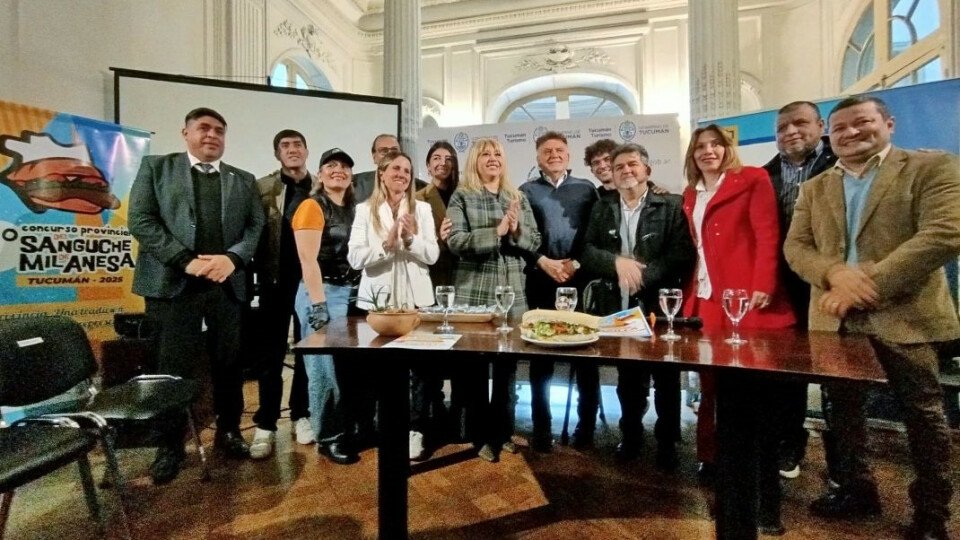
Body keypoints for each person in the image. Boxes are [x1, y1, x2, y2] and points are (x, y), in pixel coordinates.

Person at [784, 95, 960, 540]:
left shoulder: (930, 167)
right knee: (842, 413)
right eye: (840, 127)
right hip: (835, 321)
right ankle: (855, 489)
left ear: (889, 124)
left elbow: (945, 232)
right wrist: (834, 274)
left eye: (861, 122)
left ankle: (932, 514)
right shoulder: (815, 187)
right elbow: (796, 247)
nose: (850, 133)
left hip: (905, 316)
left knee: (924, 416)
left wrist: (865, 284)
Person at [128, 107, 265, 484]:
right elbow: (141, 220)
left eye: (219, 130)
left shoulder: (243, 179)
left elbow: (255, 226)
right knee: (169, 369)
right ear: (185, 133)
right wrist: (184, 261)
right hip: (173, 286)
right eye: (203, 128)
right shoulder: (156, 168)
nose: (212, 135)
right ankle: (169, 446)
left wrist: (232, 259)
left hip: (226, 286)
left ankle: (229, 431)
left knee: (230, 365)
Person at [681, 123, 796, 532]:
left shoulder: (752, 178)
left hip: (748, 301)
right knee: (713, 390)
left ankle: (764, 504)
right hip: (708, 303)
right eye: (700, 146)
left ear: (728, 148)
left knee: (753, 401)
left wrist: (763, 284)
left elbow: (768, 234)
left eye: (716, 144)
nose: (708, 151)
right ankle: (717, 470)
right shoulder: (690, 194)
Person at [580, 143, 695, 469]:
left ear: (647, 170)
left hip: (660, 306)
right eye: (619, 167)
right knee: (628, 379)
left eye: (632, 164)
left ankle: (668, 442)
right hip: (618, 305)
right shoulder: (602, 208)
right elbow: (587, 251)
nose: (626, 171)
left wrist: (642, 275)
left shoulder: (671, 205)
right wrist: (617, 263)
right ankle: (630, 435)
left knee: (667, 379)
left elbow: (681, 253)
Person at [447, 137, 541, 462]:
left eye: (497, 154)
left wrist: (515, 231)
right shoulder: (462, 195)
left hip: (512, 292)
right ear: (475, 160)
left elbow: (534, 240)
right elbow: (455, 241)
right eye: (485, 154)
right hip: (474, 292)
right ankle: (481, 436)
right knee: (475, 370)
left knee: (507, 369)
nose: (492, 159)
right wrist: (497, 231)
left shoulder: (517, 197)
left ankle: (503, 431)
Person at [761, 102, 839, 480]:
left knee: (836, 377)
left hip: (832, 285)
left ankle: (842, 467)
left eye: (800, 123)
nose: (790, 132)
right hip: (784, 287)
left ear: (820, 125)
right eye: (782, 127)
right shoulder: (765, 175)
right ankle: (789, 445)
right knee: (787, 373)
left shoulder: (841, 164)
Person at [348, 149, 440, 458]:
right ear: (382, 173)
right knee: (379, 368)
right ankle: (381, 425)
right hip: (378, 304)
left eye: (407, 171)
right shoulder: (365, 210)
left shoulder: (422, 209)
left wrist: (411, 240)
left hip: (416, 301)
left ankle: (415, 429)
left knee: (419, 370)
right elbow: (355, 258)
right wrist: (385, 246)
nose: (402, 174)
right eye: (396, 169)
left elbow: (432, 255)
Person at [519, 130, 599, 451]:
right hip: (540, 279)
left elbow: (594, 234)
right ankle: (541, 428)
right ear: (538, 158)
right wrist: (545, 263)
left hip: (579, 280)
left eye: (559, 150)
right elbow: (520, 237)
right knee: (541, 358)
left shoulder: (586, 188)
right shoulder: (525, 191)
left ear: (568, 155)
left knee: (586, 356)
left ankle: (586, 427)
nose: (554, 155)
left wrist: (574, 264)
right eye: (547, 151)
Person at [291, 147, 363, 465]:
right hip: (322, 293)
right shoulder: (312, 206)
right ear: (320, 174)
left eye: (345, 166)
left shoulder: (355, 209)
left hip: (351, 294)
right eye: (331, 165)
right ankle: (328, 438)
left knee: (345, 369)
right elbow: (308, 260)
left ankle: (347, 426)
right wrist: (318, 305)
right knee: (323, 370)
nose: (338, 170)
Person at [250, 129, 316, 460]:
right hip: (275, 281)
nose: (292, 150)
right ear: (277, 154)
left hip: (311, 283)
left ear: (306, 150)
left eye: (298, 145)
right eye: (285, 146)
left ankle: (302, 413)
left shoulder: (320, 187)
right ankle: (266, 422)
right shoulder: (263, 187)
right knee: (271, 354)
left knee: (307, 351)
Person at [411, 140, 461, 458]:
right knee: (424, 361)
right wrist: (439, 242)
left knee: (459, 359)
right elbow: (416, 247)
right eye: (436, 158)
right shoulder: (417, 200)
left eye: (448, 158)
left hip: (465, 285)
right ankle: (417, 425)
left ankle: (453, 418)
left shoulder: (466, 196)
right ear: (428, 165)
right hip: (431, 285)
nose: (442, 163)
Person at [352, 134, 427, 203]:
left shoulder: (422, 187)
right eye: (384, 151)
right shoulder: (356, 183)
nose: (390, 154)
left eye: (394, 150)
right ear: (374, 157)